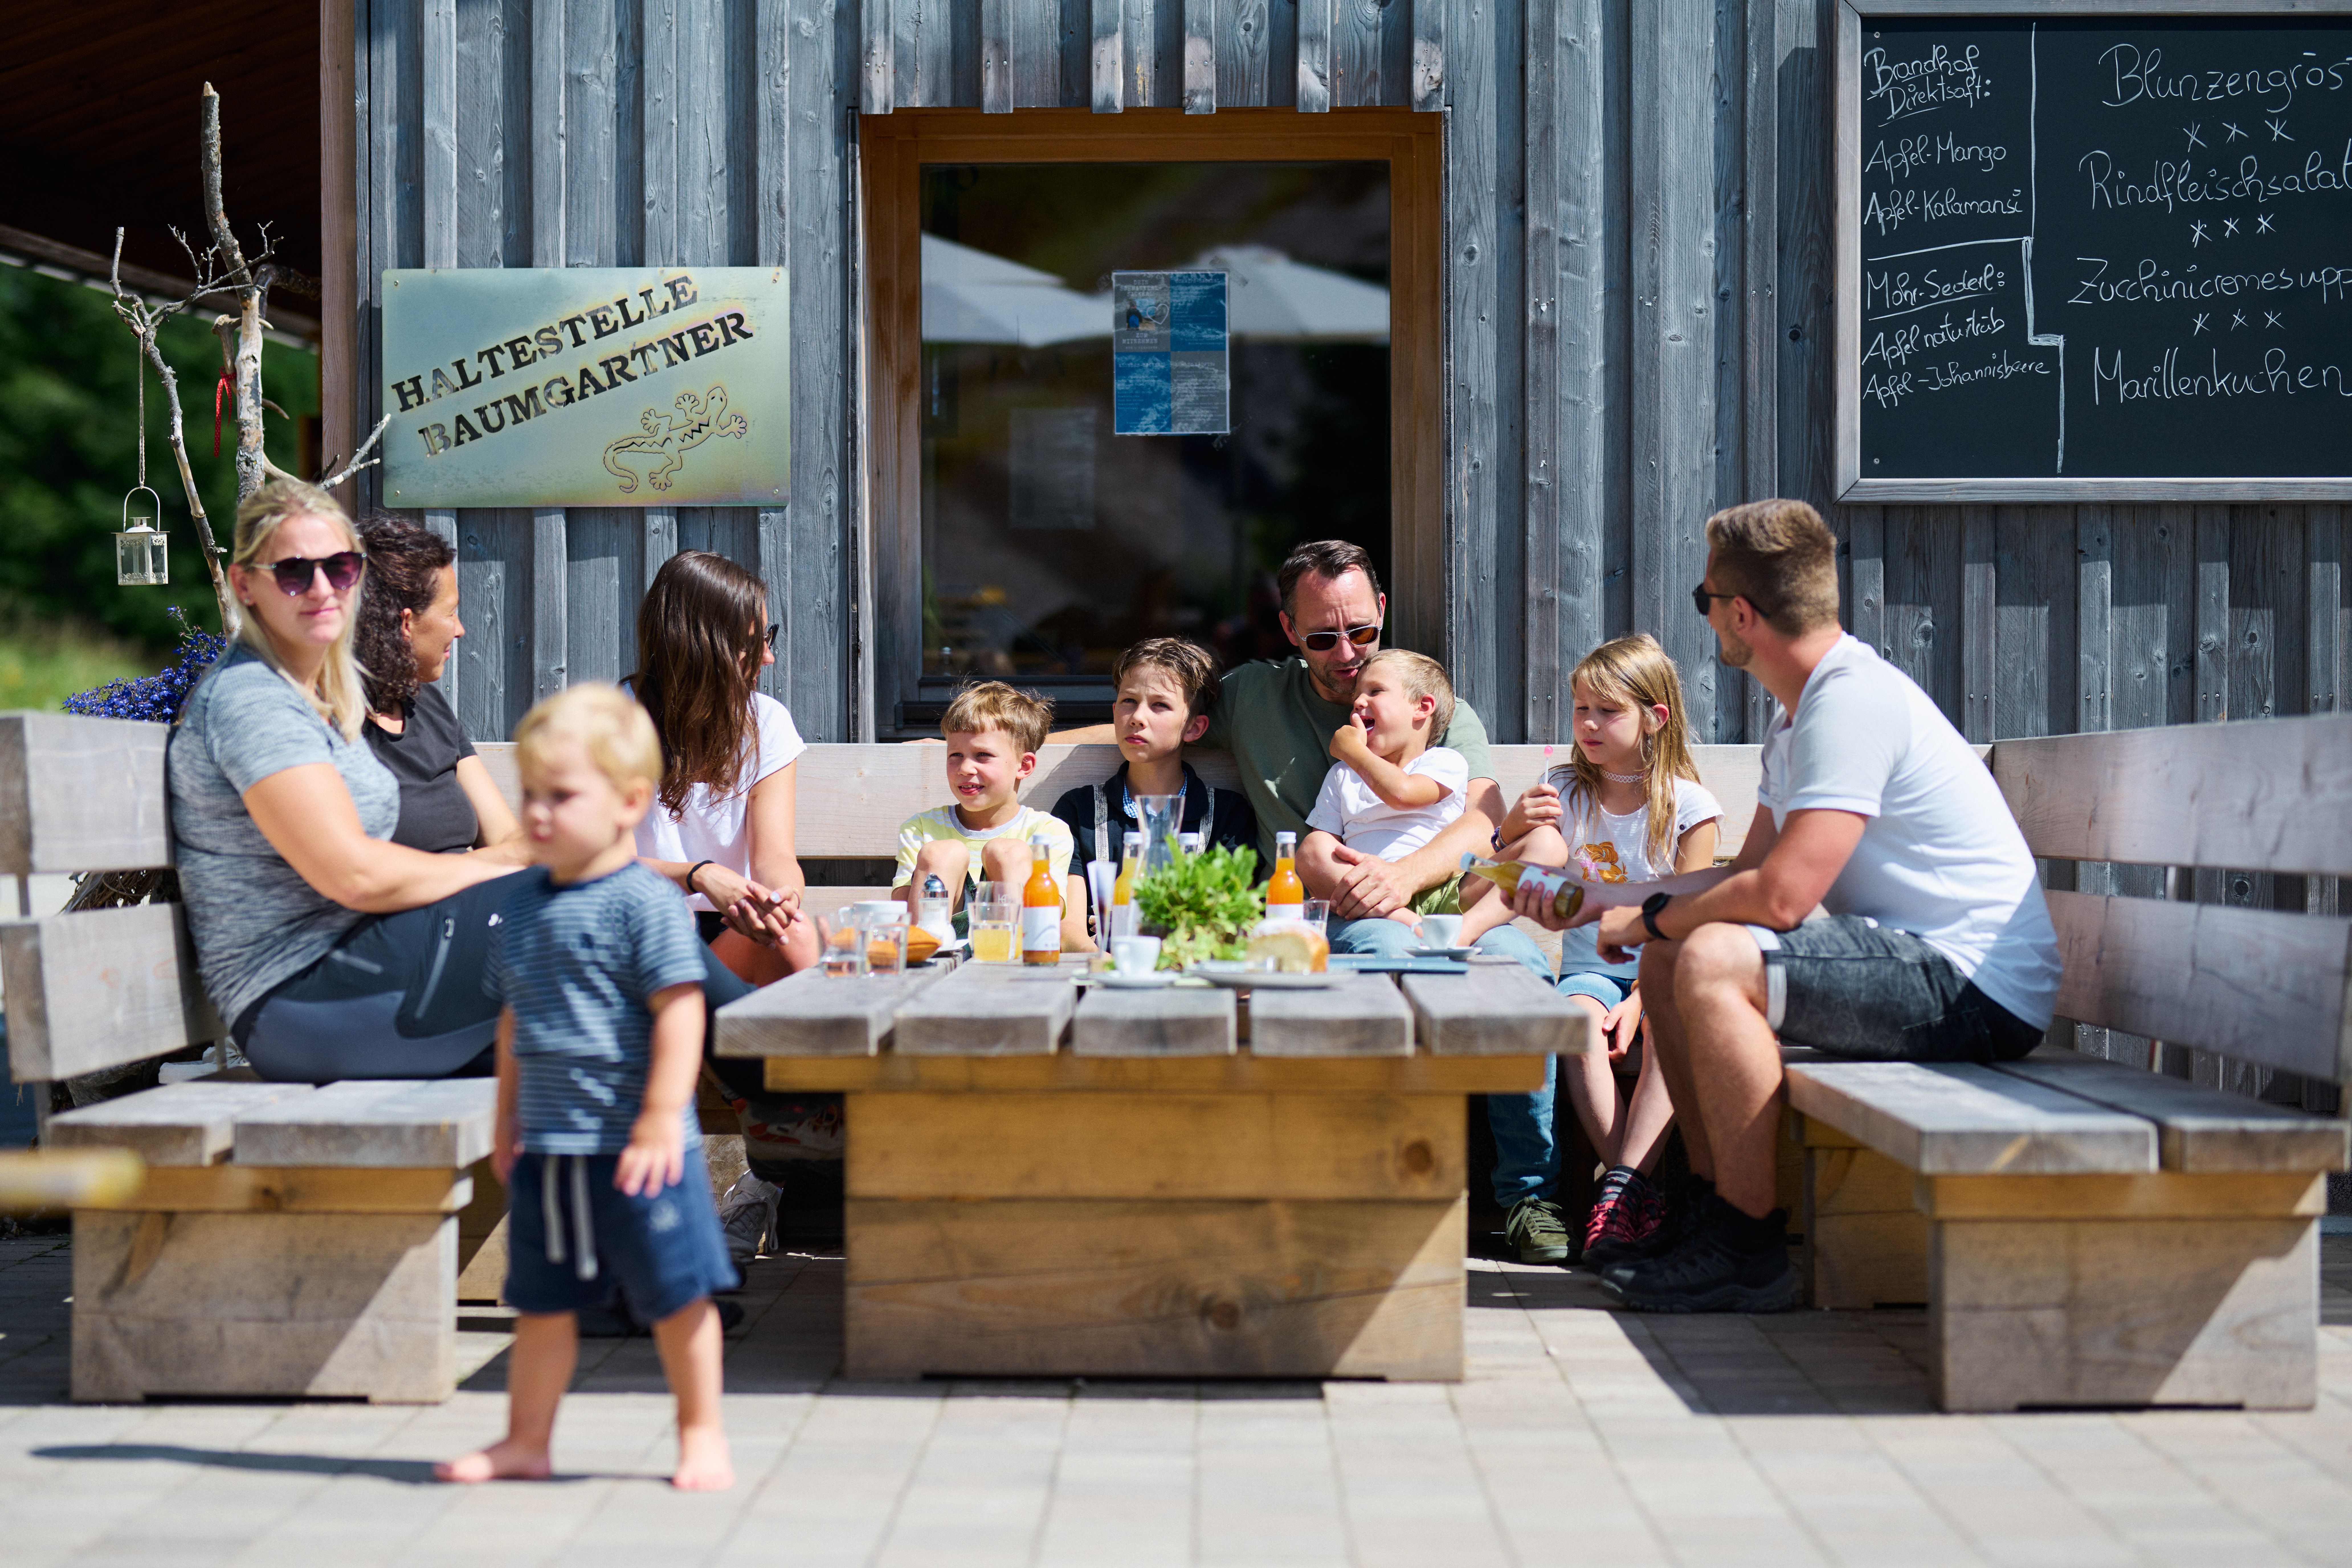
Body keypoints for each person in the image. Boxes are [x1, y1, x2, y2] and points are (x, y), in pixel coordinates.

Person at [1513, 499, 2059, 1313]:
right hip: (1910, 962)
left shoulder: (1850, 702)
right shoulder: (1798, 716)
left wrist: (1651, 916)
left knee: (1706, 957)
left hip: (1974, 984)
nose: (1708, 621)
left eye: (1706, 603)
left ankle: (1747, 1244)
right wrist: (1610, 899)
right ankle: (1708, 1216)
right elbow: (1751, 868)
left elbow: (1781, 896)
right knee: (1674, 958)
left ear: (1741, 614)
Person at [436, 685, 734, 1491]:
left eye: (561, 797)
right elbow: (514, 1026)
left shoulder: (647, 904)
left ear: (630, 802)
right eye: (530, 793)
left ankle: (701, 1432)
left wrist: (658, 1121)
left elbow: (681, 1018)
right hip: (551, 1148)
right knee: (542, 1304)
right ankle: (526, 1441)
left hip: (642, 1152)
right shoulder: (524, 906)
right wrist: (506, 1118)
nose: (536, 813)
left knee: (677, 1298)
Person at [1054, 540, 1550, 977]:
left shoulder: (1434, 706)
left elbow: (1483, 816)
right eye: (1321, 638)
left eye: (1360, 631)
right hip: (1324, 911)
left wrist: (1403, 879)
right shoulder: (1255, 696)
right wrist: (1033, 745)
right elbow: (1161, 719)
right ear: (1289, 629)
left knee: (1519, 960)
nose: (1346, 654)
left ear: (1381, 610)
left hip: (1448, 900)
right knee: (1385, 945)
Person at [169, 479, 528, 1082]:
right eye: (292, 572)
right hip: (306, 999)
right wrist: (500, 866)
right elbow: (354, 874)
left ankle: (736, 1107)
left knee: (602, 1013)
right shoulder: (253, 699)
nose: (321, 589)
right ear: (244, 586)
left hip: (363, 970)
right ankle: (743, 1076)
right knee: (605, 920)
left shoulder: (318, 699)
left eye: (340, 568)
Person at [1483, 635, 1720, 1267]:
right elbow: (1484, 890)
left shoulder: (1690, 807)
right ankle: (1629, 1196)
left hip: (1669, 974)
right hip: (1589, 971)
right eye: (1580, 708)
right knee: (1580, 1022)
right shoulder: (1561, 789)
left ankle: (1617, 1201)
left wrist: (1643, 999)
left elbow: (1695, 920)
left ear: (1655, 717)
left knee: (1670, 1031)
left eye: (1607, 712)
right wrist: (1508, 830)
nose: (1588, 724)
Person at [629, 550, 821, 989]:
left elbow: (774, 856)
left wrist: (782, 897)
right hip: (639, 928)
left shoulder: (766, 722)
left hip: (729, 926)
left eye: (768, 638)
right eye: (754, 645)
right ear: (701, 647)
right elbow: (598, 866)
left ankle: (797, 1059)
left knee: (794, 932)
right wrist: (698, 875)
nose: (769, 658)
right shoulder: (615, 725)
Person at [354, 514, 525, 857]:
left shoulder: (427, 704)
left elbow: (507, 836)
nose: (460, 630)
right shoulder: (330, 726)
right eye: (450, 613)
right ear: (406, 622)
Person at [1048, 639, 1258, 918]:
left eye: (1160, 705)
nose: (1137, 717)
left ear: (1194, 728)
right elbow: (1070, 931)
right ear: (1115, 713)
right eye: (1129, 701)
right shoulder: (1079, 809)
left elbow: (1232, 921)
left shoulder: (1227, 814)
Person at [895, 681, 1089, 950]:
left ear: (1024, 765)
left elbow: (1050, 913)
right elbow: (901, 914)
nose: (965, 768)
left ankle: (1013, 962)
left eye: (982, 755)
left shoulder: (1047, 832)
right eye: (956, 755)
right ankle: (929, 962)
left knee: (1008, 852)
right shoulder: (922, 828)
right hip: (938, 959)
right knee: (941, 855)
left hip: (1018, 953)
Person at [1300, 650, 1474, 936]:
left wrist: (1353, 751)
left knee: (1506, 862)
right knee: (1311, 849)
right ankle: (1409, 923)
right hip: (1366, 893)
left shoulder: (1444, 761)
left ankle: (1440, 926)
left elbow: (1403, 794)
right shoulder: (1343, 774)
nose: (1357, 702)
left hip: (1442, 890)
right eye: (1357, 694)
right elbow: (1322, 854)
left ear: (1422, 706)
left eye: (1375, 691)